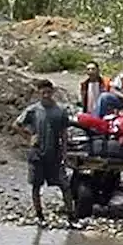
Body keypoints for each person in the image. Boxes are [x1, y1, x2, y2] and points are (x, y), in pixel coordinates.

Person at [16, 79, 73, 224]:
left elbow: (64, 133)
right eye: (43, 93)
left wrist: (65, 153)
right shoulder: (33, 110)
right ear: (39, 93)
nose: (46, 95)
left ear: (53, 92)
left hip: (55, 153)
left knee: (65, 186)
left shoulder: (60, 110)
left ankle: (72, 216)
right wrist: (29, 137)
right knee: (36, 186)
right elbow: (17, 124)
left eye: (49, 92)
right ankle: (40, 216)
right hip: (37, 153)